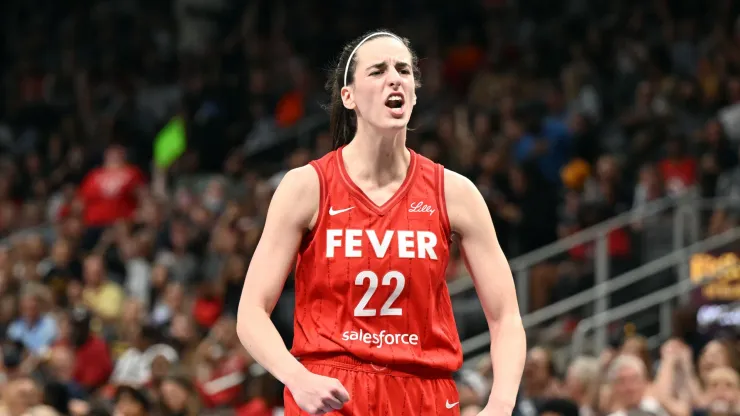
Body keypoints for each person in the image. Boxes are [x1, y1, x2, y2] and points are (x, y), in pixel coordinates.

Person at [237, 29, 526, 416]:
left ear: (414, 92)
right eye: (377, 71)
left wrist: (502, 404)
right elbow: (251, 312)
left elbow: (505, 315)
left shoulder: (455, 192)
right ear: (349, 96)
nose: (395, 78)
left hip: (425, 391)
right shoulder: (307, 186)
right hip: (333, 389)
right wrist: (296, 377)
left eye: (404, 70)